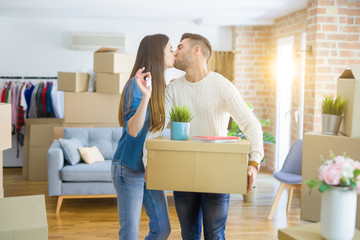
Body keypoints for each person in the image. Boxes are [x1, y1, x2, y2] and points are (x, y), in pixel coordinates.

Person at [165, 33, 264, 240]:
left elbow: (250, 123)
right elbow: (158, 124)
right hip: (183, 171)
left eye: (180, 47)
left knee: (215, 235)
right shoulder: (173, 88)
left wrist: (254, 162)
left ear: (196, 50)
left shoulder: (221, 85)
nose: (175, 52)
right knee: (189, 234)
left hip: (217, 172)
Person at [112, 34, 175, 240]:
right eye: (170, 49)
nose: (173, 53)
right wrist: (146, 97)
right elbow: (133, 129)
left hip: (150, 169)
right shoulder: (137, 84)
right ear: (158, 54)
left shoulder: (162, 86)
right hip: (128, 169)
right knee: (129, 235)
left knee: (162, 229)